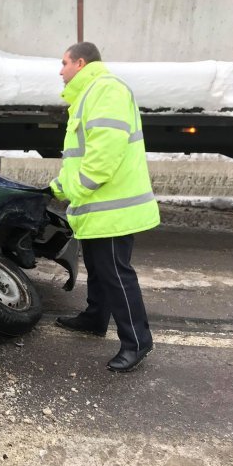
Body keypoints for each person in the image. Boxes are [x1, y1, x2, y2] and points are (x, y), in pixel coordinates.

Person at [49, 42, 160, 373]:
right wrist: (56, 186)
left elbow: (103, 155)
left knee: (115, 273)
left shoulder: (105, 90)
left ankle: (137, 342)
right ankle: (96, 317)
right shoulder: (89, 94)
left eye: (64, 63)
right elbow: (79, 156)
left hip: (112, 208)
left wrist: (76, 189)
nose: (60, 70)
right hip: (99, 206)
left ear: (81, 63)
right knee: (98, 267)